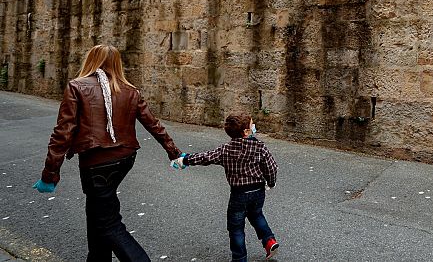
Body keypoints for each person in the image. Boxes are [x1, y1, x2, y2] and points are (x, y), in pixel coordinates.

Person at [33, 44, 184, 262]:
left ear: (91, 60)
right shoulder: (131, 90)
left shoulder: (77, 86)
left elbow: (63, 133)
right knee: (97, 211)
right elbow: (154, 125)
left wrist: (50, 174)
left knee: (108, 222)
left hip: (96, 164)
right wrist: (174, 153)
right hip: (125, 159)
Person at [172, 113, 279, 261]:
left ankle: (240, 258)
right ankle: (269, 241)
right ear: (247, 132)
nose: (254, 127)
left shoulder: (225, 150)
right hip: (257, 191)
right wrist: (271, 182)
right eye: (252, 125)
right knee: (257, 214)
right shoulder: (260, 147)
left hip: (238, 195)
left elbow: (205, 157)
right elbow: (271, 167)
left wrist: (185, 160)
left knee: (236, 228)